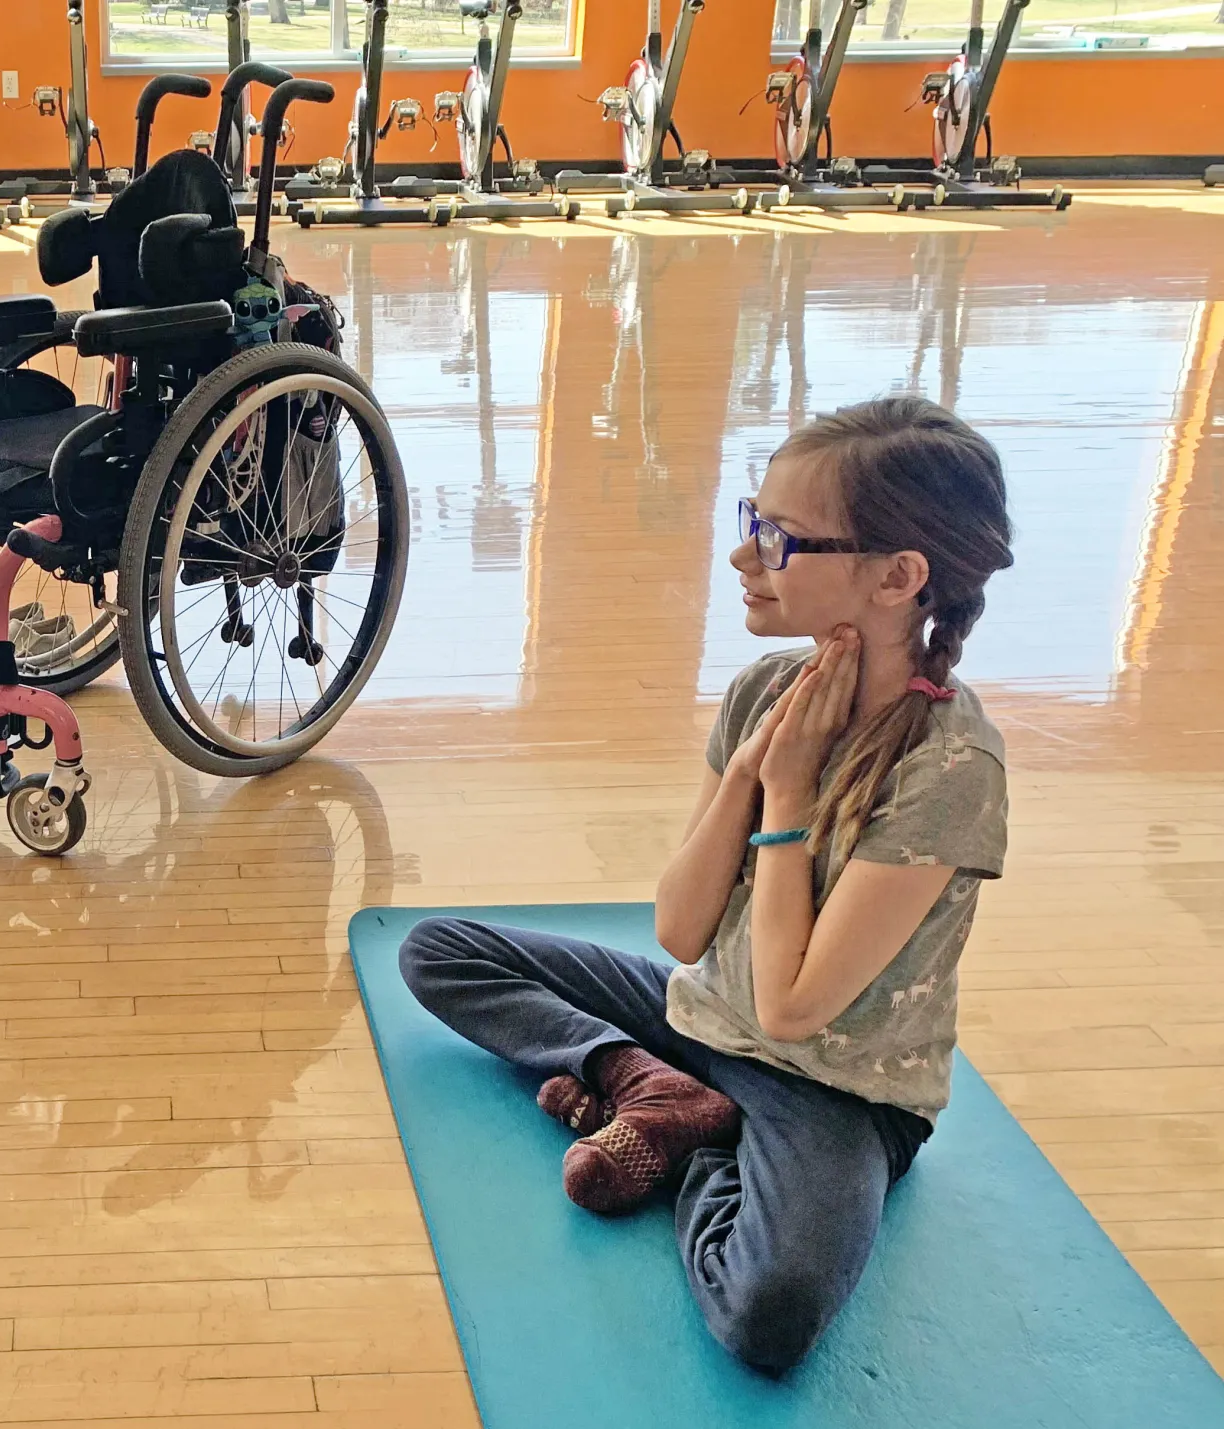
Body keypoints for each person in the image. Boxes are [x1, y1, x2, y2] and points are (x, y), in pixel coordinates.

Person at [401, 396, 1012, 1374]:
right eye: (749, 522)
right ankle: (643, 1082)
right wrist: (744, 774)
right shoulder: (764, 694)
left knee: (768, 1316)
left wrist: (786, 794)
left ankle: (686, 1144)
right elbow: (681, 931)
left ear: (898, 578)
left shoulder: (953, 769)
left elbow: (795, 1006)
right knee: (438, 950)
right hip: (701, 1018)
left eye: (779, 539)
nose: (744, 556)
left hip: (835, 1085)